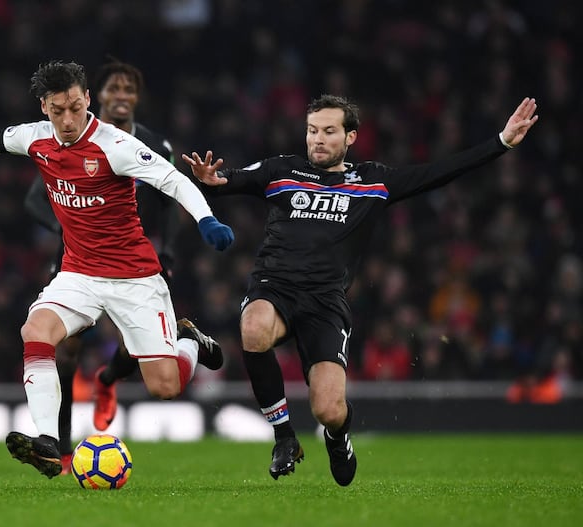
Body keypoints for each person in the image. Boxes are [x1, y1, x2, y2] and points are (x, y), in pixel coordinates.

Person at [0, 60, 235, 480]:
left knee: (165, 387)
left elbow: (173, 180)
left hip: (134, 278)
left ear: (88, 99)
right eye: (58, 110)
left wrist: (206, 220)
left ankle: (189, 340)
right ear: (44, 107)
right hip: (78, 274)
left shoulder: (115, 144)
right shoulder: (34, 138)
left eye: (75, 106)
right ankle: (49, 442)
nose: (68, 119)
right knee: (36, 331)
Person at [183, 95, 537, 486]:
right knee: (253, 327)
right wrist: (212, 181)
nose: (317, 139)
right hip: (275, 287)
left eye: (329, 131)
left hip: (325, 303)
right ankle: (284, 436)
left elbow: (438, 172)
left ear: (351, 136)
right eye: (312, 130)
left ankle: (337, 438)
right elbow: (229, 179)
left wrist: (500, 142)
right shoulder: (281, 170)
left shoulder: (374, 181)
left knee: (329, 410)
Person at [22, 58, 182, 473]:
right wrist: (66, 227)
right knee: (65, 347)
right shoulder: (68, 141)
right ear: (98, 96)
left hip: (135, 259)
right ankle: (57, 445)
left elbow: (171, 202)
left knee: (138, 344)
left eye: (130, 90)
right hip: (80, 257)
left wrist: (170, 250)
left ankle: (109, 380)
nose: (122, 96)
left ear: (137, 98)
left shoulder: (151, 144)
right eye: (115, 89)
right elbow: (35, 198)